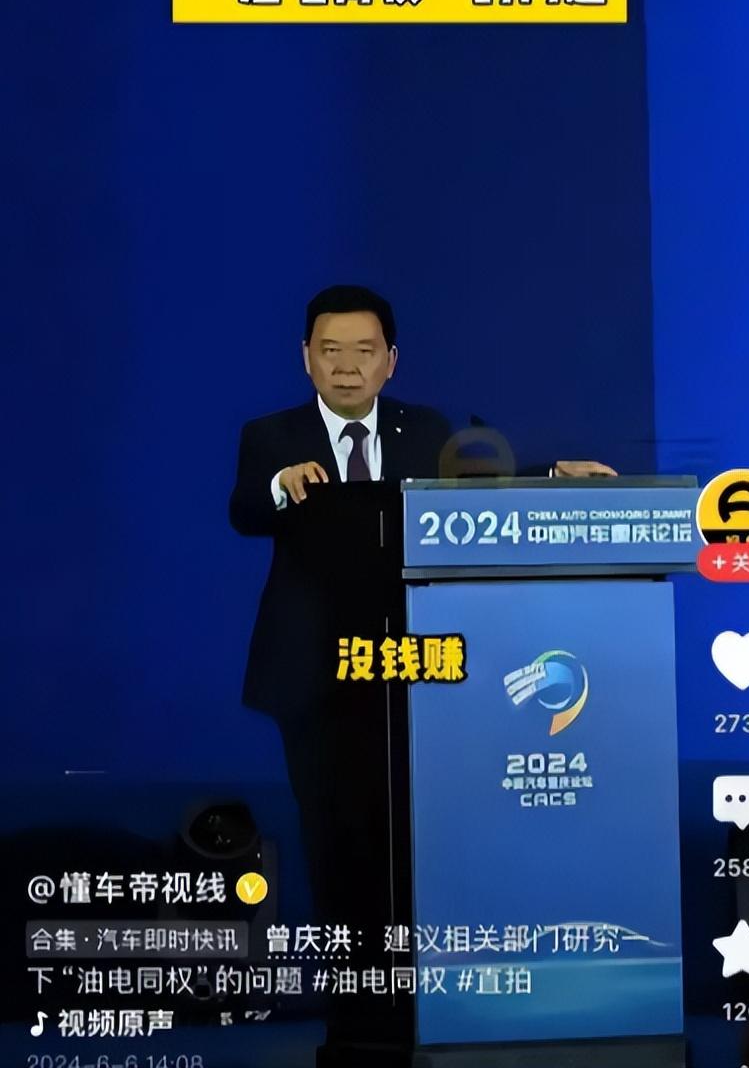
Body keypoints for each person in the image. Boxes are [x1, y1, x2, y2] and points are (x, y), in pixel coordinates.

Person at [229, 284, 615, 1056]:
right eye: (330, 351)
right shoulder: (272, 436)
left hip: (413, 674)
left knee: (412, 847)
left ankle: (418, 1010)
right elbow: (246, 509)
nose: (346, 366)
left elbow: (479, 495)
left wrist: (549, 479)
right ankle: (352, 1024)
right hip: (313, 679)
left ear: (391, 360)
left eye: (363, 351)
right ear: (305, 358)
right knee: (334, 847)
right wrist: (282, 486)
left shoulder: (426, 430)